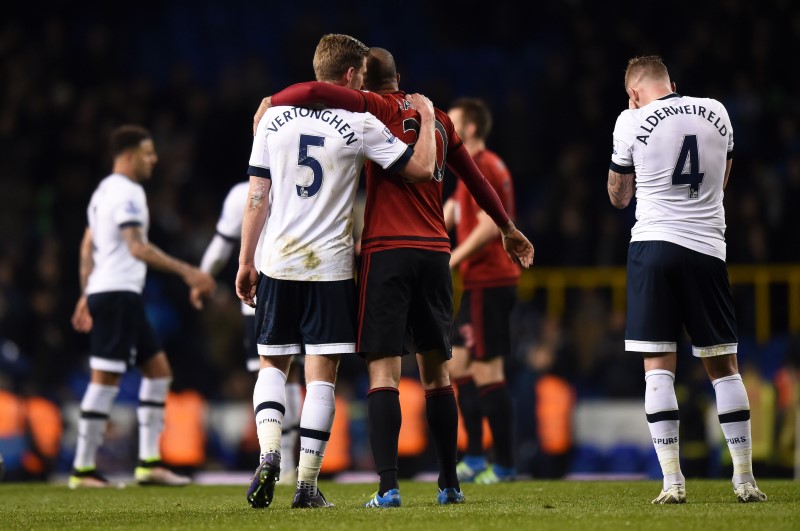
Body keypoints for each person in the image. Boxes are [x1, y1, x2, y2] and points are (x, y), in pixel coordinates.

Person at [256, 46, 534, 508]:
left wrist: (274, 100)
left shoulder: (370, 107)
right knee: (438, 374)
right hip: (434, 253)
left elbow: (312, 89)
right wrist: (507, 227)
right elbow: (474, 180)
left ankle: (388, 487)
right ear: (400, 76)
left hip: (386, 253)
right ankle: (450, 484)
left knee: (384, 373)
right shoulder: (440, 119)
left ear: (364, 81)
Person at [237, 33, 438, 510]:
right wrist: (426, 117)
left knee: (272, 365)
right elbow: (421, 168)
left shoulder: (272, 119)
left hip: (277, 259)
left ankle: (269, 455)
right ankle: (306, 485)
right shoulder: (361, 122)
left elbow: (257, 195)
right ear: (351, 75)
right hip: (329, 266)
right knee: (321, 377)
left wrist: (246, 260)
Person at [607, 55, 766, 504]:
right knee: (723, 367)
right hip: (708, 250)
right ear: (672, 83)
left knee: (658, 370)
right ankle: (745, 480)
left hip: (653, 247)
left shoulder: (630, 119)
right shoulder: (717, 111)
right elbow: (722, 181)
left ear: (634, 92)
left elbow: (619, 197)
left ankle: (673, 482)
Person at [69, 125, 216, 488]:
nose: (154, 160)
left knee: (159, 372)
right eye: (149, 153)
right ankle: (82, 469)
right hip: (118, 294)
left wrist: (86, 292)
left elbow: (87, 246)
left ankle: (149, 463)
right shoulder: (129, 192)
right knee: (105, 378)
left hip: (116, 293)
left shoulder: (103, 192)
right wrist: (187, 271)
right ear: (131, 155)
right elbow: (136, 246)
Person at [195, 181, 304, 485]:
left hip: (259, 292)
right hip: (301, 285)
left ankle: (274, 456)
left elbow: (221, 244)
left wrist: (202, 278)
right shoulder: (296, 183)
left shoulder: (242, 192)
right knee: (292, 374)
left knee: (269, 372)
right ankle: (292, 462)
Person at [443, 97, 520, 484]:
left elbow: (493, 225)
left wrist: (452, 258)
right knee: (458, 366)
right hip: (478, 283)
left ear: (470, 128)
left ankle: (504, 465)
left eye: (453, 123)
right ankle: (474, 456)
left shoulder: (485, 165)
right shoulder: (467, 173)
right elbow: (452, 215)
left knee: (489, 369)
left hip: (491, 280)